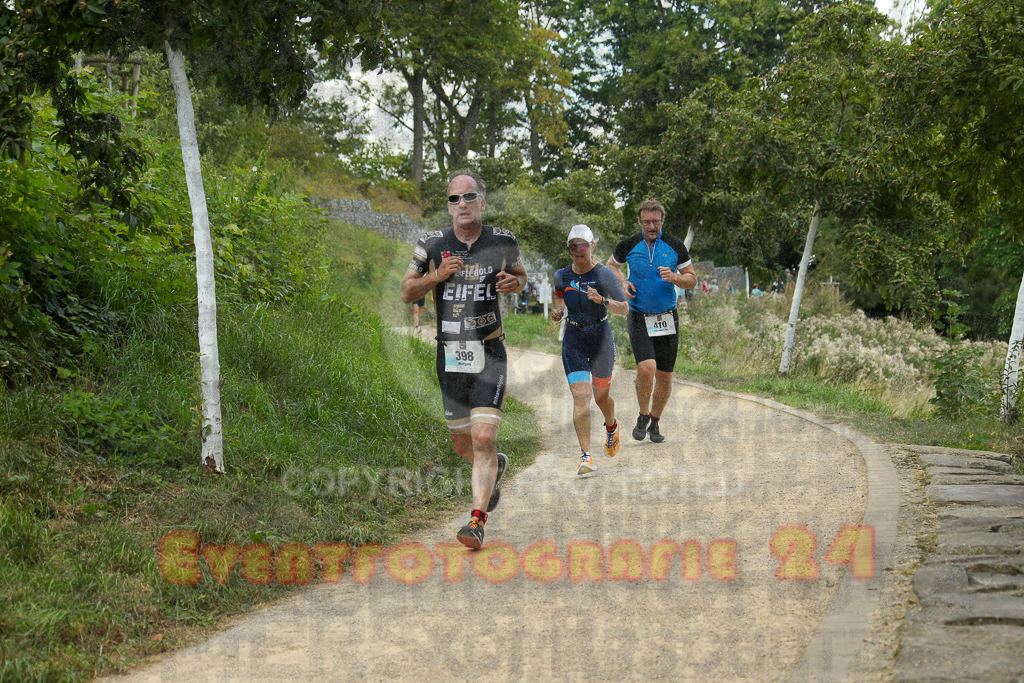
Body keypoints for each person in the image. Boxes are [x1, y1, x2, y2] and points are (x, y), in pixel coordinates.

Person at [400, 170, 527, 550]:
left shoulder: (503, 240)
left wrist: (515, 283)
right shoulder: (431, 243)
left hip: (489, 351)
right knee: (463, 445)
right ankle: (494, 466)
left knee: (483, 436)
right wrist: (435, 277)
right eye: (454, 199)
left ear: (481, 203)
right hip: (450, 355)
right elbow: (407, 292)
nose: (462, 204)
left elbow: (520, 275)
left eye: (468, 197)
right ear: (448, 206)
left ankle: (476, 521)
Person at [606, 199, 697, 443]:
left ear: (662, 221)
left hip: (667, 316)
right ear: (639, 221)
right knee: (646, 368)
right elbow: (611, 266)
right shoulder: (629, 245)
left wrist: (676, 278)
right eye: (647, 222)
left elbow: (692, 279)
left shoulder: (675, 246)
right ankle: (643, 414)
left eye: (656, 221)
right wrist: (623, 282)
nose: (652, 226)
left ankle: (655, 423)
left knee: (665, 376)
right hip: (638, 314)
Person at [550, 224, 629, 475]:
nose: (578, 250)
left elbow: (624, 308)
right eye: (573, 245)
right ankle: (586, 456)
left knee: (600, 397)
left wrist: (602, 300)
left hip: (600, 339)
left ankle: (611, 426)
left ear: (592, 246)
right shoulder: (561, 275)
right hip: (574, 338)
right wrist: (558, 310)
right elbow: (558, 295)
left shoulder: (604, 275)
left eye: (583, 245)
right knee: (581, 396)